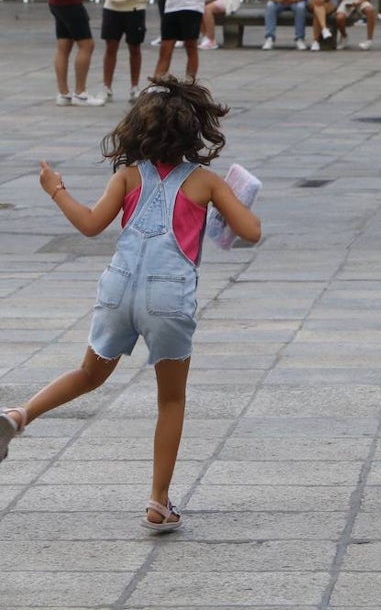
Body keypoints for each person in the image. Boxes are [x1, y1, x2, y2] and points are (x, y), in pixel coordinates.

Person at [0, 77, 261, 533]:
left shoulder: (127, 176)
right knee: (171, 398)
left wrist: (56, 189)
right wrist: (229, 200)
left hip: (117, 290)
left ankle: (19, 415)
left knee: (88, 374)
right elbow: (251, 232)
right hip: (167, 299)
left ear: (137, 129)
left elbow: (89, 225)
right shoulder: (206, 183)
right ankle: (158, 502)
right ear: (196, 131)